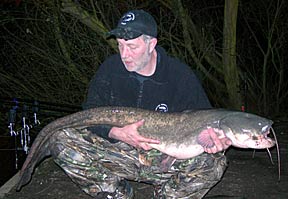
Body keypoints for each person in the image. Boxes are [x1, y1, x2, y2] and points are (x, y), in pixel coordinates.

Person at [53, 9, 231, 199]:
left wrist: (213, 142)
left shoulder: (181, 76)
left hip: (161, 158)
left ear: (151, 44)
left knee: (214, 162)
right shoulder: (110, 69)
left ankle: (168, 195)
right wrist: (115, 132)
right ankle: (116, 193)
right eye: (120, 46)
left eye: (131, 47)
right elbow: (90, 113)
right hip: (117, 151)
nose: (124, 54)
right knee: (58, 139)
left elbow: (205, 120)